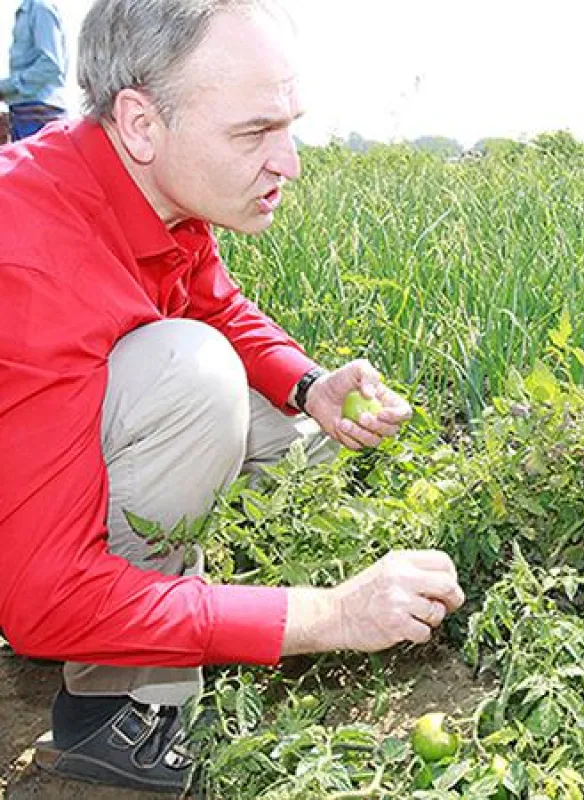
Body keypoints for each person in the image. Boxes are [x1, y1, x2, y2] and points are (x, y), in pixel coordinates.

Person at [0, 0, 466, 793]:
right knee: (194, 376)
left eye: (289, 124)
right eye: (254, 133)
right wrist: (330, 615)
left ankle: (147, 601)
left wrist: (311, 386)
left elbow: (215, 303)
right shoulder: (34, 253)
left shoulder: (150, 188)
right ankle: (115, 708)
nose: (288, 161)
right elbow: (42, 603)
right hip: (30, 563)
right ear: (142, 122)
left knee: (292, 429)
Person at [0, 0, 69, 140]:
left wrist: (5, 88)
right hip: (26, 112)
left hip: (38, 114)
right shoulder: (29, 10)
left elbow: (51, 65)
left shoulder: (40, 8)